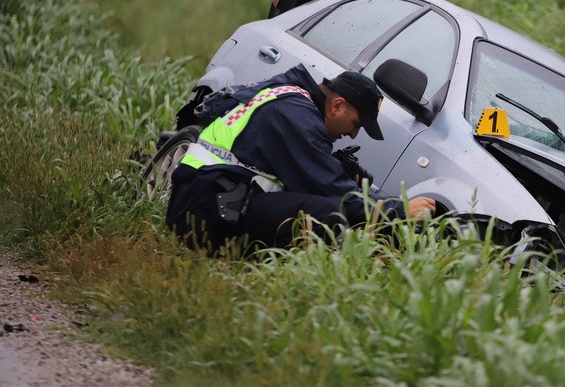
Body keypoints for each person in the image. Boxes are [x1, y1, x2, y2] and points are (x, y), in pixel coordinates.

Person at [165, 63, 436, 254]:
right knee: (328, 213)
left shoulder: (292, 99)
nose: (353, 135)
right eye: (356, 123)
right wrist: (398, 212)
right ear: (338, 105)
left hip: (207, 197)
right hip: (203, 214)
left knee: (325, 205)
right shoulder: (297, 118)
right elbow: (332, 189)